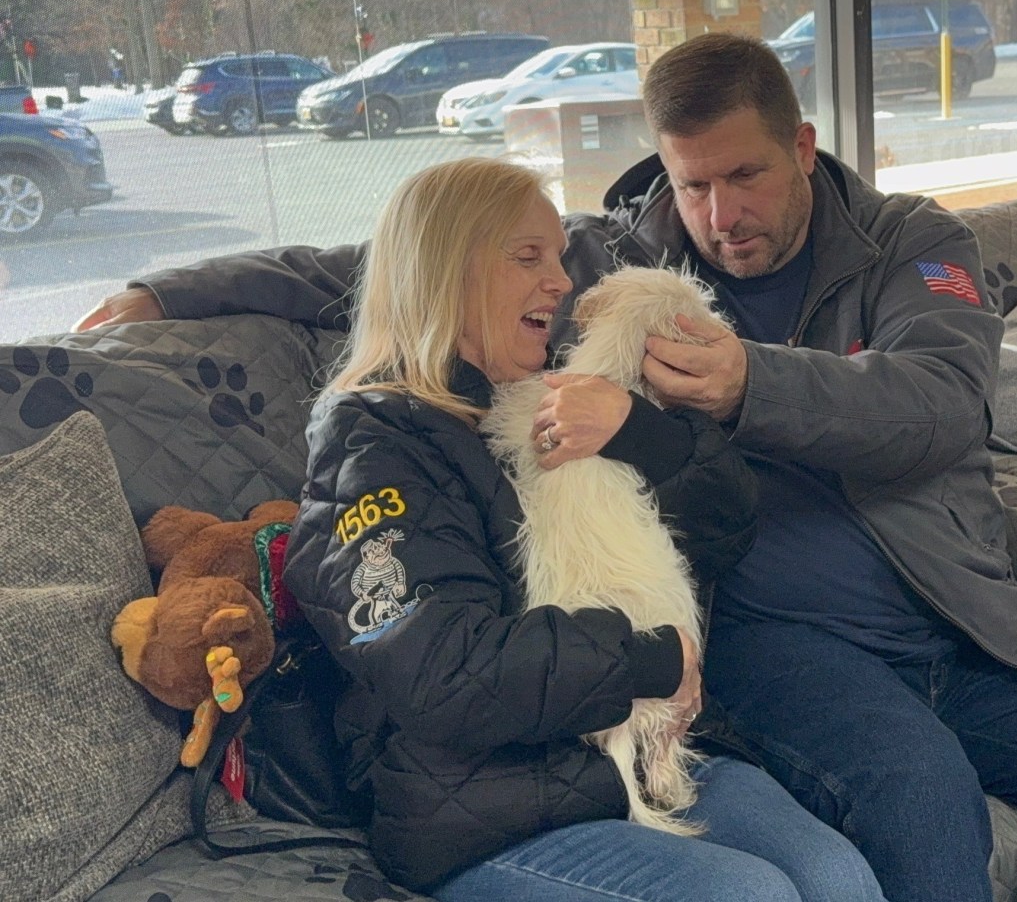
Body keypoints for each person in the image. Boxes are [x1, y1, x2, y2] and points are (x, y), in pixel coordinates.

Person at [77, 35, 1017, 902]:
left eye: (746, 176)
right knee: (920, 794)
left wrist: (745, 382)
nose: (720, 215)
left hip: (955, 617)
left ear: (805, 148)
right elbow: (405, 257)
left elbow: (941, 407)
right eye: (691, 184)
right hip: (771, 639)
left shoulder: (911, 244)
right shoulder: (615, 257)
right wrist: (171, 288)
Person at [271, 156, 888, 901]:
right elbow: (438, 670)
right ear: (445, 273)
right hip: (486, 807)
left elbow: (726, 532)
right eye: (528, 257)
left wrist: (637, 431)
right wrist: (652, 660)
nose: (562, 283)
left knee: (837, 875)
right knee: (749, 896)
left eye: (558, 256)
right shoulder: (372, 441)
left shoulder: (553, 392)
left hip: (640, 760)